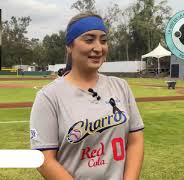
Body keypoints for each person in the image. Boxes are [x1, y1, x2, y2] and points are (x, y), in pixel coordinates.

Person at [30, 12, 144, 180]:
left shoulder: (121, 87)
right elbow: (44, 160)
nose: (98, 48)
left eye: (103, 40)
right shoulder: (49, 97)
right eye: (89, 40)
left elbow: (135, 141)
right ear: (69, 46)